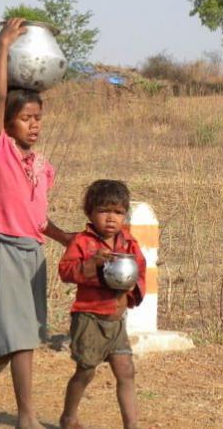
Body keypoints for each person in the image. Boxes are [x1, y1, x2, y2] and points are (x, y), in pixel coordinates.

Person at [0, 18, 73, 429]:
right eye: (26, 118)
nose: (35, 125)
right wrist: (5, 45)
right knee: (20, 337)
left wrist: (66, 237)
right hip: (4, 248)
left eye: (38, 118)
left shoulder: (43, 167)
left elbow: (39, 219)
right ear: (7, 124)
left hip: (32, 253)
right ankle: (27, 416)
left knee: (26, 335)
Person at [58, 180, 147, 429]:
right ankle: (69, 417)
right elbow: (65, 271)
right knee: (86, 371)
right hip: (89, 319)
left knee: (126, 371)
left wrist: (131, 288)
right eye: (104, 211)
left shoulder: (129, 244)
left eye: (118, 212)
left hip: (116, 322)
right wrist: (93, 264)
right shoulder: (83, 243)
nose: (111, 218)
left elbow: (140, 271)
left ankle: (132, 425)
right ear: (90, 212)